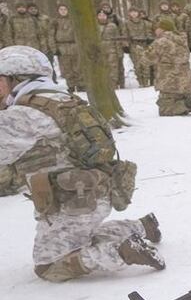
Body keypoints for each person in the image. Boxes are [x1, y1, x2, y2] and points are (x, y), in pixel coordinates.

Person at [0, 45, 165, 281]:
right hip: (92, 195)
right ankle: (141, 227)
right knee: (82, 237)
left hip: (73, 203)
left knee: (48, 266)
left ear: (17, 78)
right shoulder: (62, 99)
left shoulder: (24, 114)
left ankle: (121, 252)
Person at [51, 4, 80, 91]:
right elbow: (51, 35)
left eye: (65, 9)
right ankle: (70, 85)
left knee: (78, 66)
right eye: (61, 9)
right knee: (66, 67)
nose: (63, 11)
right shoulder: (55, 21)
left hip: (74, 45)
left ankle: (81, 84)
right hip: (62, 46)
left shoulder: (74, 20)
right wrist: (54, 48)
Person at [123, 7, 155, 86]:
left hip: (144, 45)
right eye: (132, 12)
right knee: (137, 66)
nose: (133, 14)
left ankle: (146, 82)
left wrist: (149, 41)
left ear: (138, 13)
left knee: (146, 65)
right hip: (133, 46)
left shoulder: (144, 23)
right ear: (129, 13)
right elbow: (124, 34)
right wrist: (126, 45)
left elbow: (149, 31)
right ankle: (140, 82)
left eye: (135, 12)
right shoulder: (126, 23)